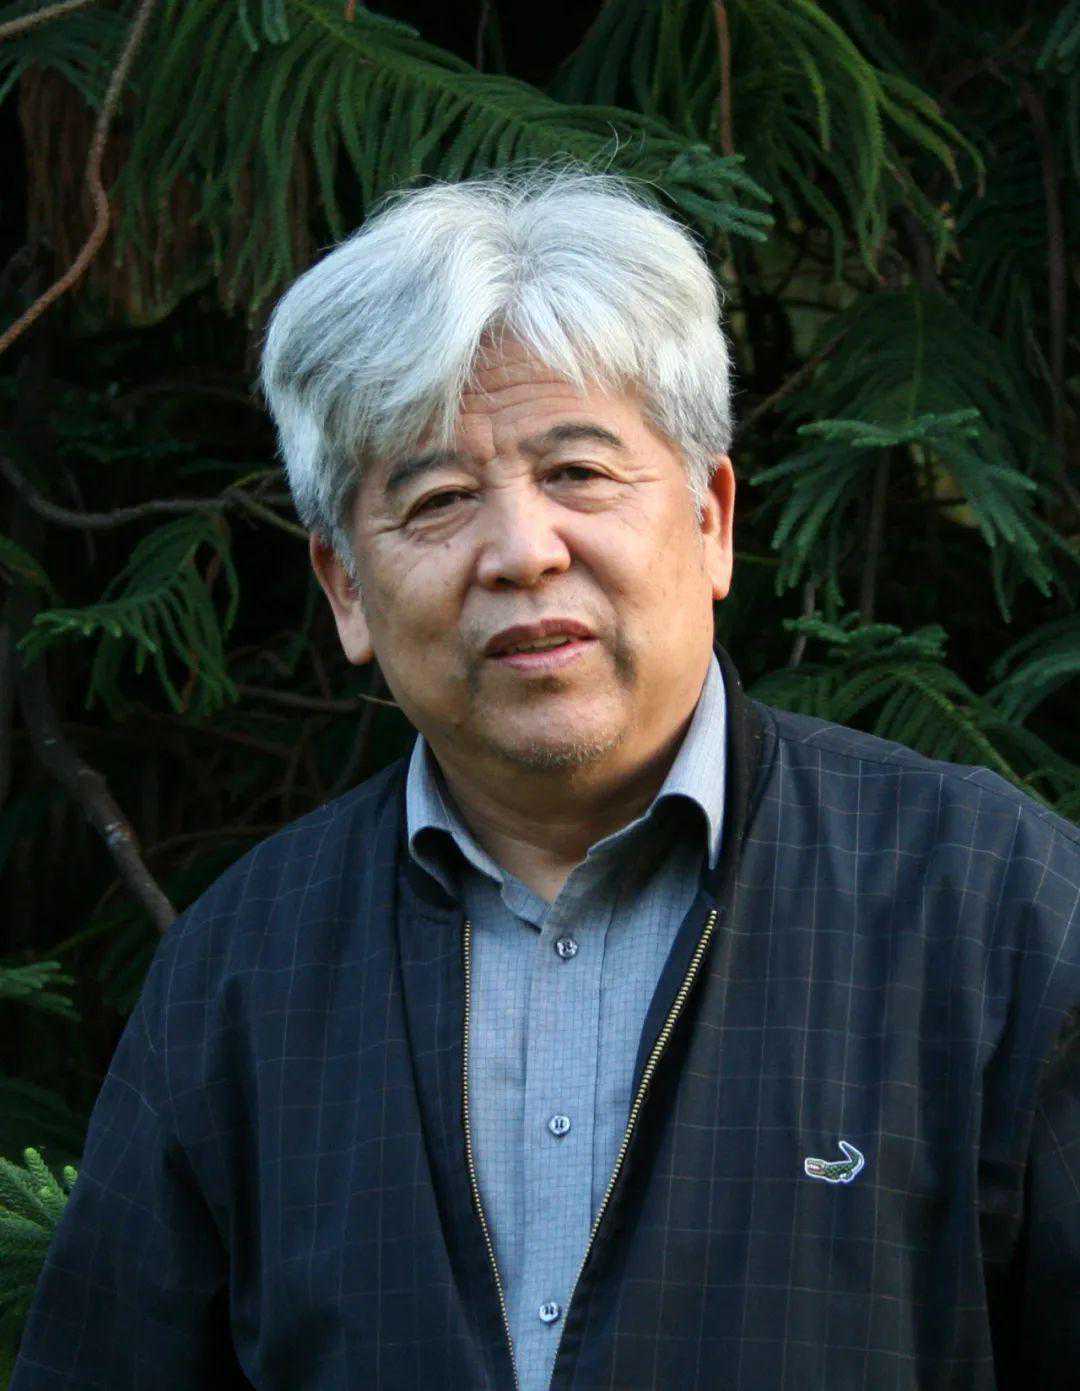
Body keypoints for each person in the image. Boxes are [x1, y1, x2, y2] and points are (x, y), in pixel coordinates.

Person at [10, 166, 1080, 1391]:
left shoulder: (994, 910)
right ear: (346, 587)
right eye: (438, 497)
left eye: (578, 472)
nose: (522, 550)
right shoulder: (242, 971)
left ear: (712, 518)